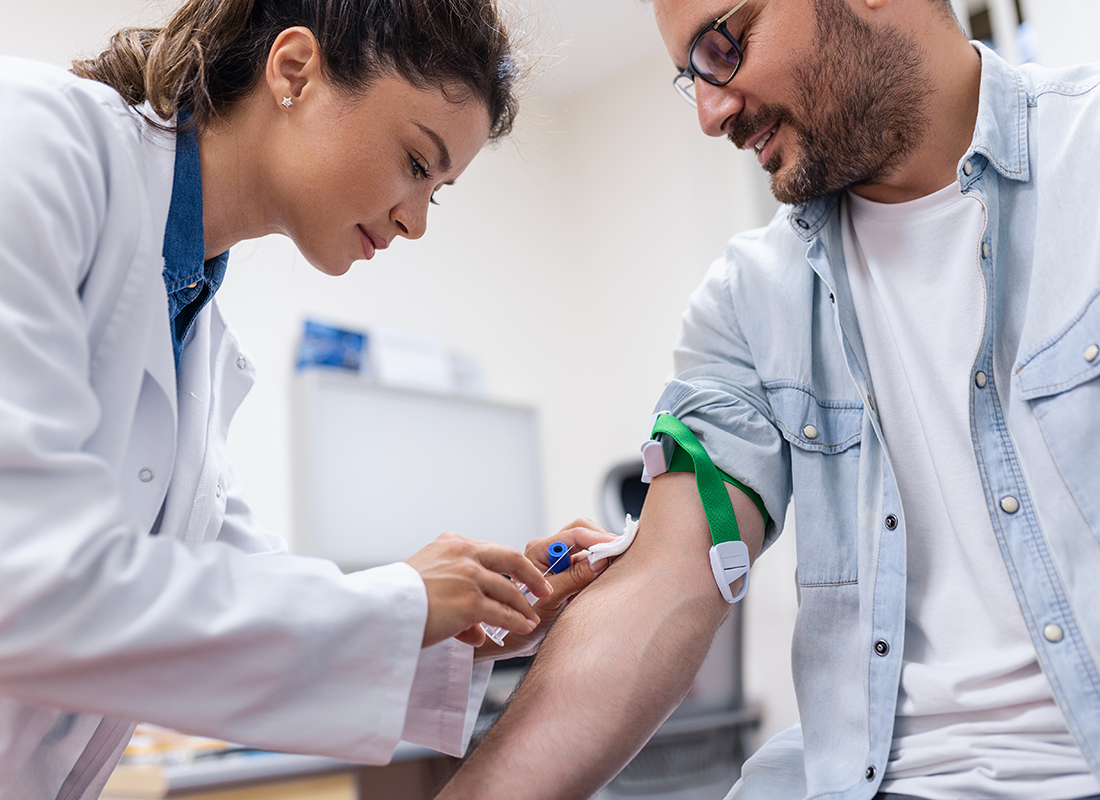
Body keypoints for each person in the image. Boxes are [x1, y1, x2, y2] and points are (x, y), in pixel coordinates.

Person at [436, 0, 1100, 798]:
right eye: (693, 79)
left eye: (722, 49)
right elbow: (665, 579)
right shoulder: (748, 302)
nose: (711, 113)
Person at [0, 0, 614, 797]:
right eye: (417, 163)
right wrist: (405, 599)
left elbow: (241, 615)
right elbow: (33, 583)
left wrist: (465, 621)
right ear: (295, 71)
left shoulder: (194, 327)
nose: (416, 221)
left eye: (440, 190)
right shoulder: (34, 143)